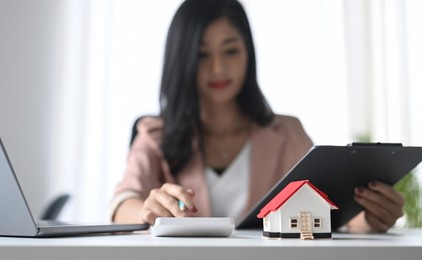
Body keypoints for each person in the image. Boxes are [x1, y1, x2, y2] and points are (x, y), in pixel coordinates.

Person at [111, 0, 404, 233]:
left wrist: (371, 219)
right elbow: (122, 203)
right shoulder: (154, 134)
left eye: (231, 51)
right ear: (182, 60)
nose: (218, 69)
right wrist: (148, 210)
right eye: (202, 55)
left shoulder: (287, 133)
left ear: (248, 54)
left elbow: (330, 211)